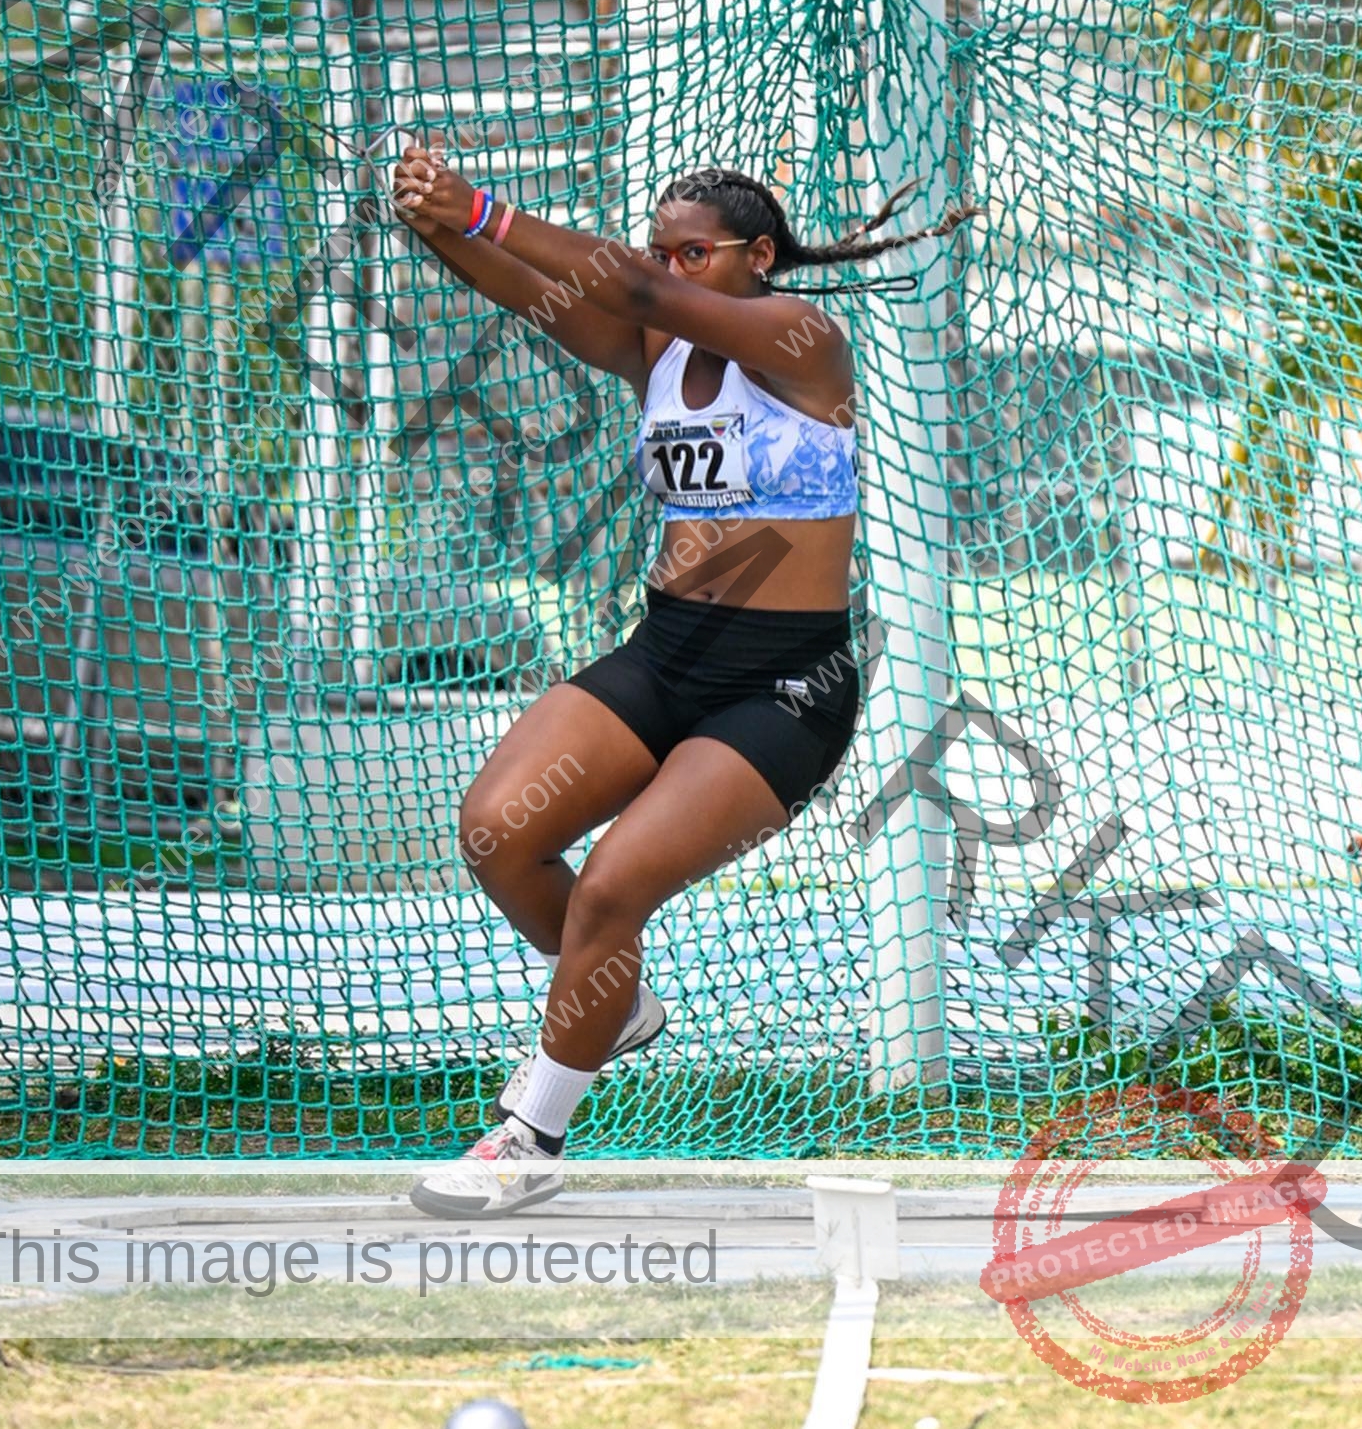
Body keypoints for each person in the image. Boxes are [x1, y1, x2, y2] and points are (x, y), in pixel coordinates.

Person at [390, 144, 974, 1216]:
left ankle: (530, 1137)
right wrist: (435, 222)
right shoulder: (656, 345)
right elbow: (529, 292)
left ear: (760, 257)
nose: (671, 268)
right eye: (662, 251)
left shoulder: (803, 341)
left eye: (693, 253)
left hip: (783, 690)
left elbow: (632, 285)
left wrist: (482, 206)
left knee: (613, 886)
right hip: (666, 655)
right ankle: (611, 1002)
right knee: (497, 833)